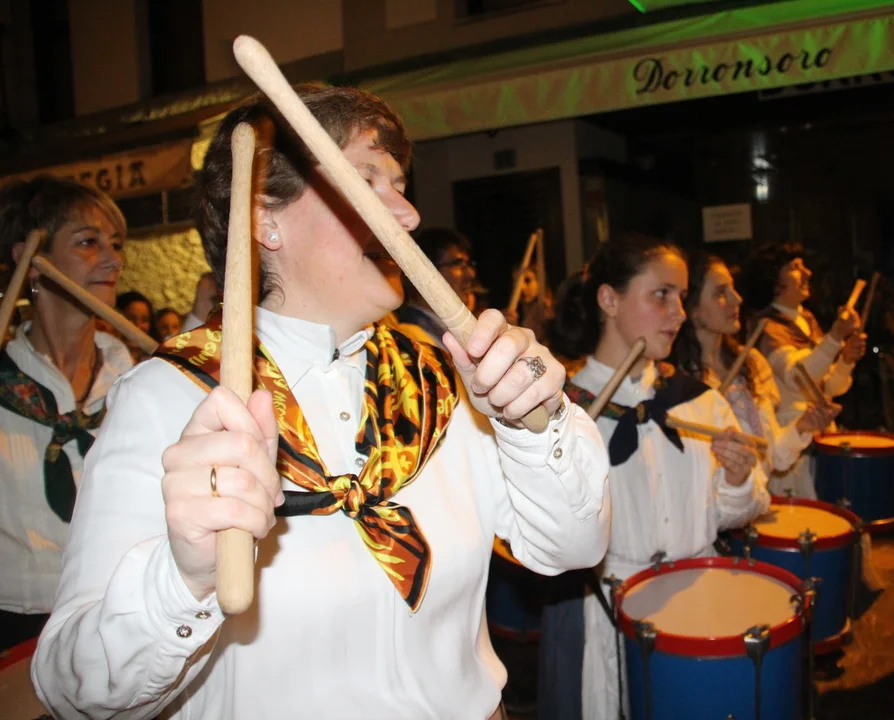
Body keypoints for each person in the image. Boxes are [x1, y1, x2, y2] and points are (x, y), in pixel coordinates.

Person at [32, 83, 611, 720]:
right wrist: (181, 577)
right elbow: (71, 694)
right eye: (367, 181)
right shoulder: (167, 398)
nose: (408, 215)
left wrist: (533, 423)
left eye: (400, 186)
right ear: (265, 220)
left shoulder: (444, 381)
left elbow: (575, 547)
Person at [539, 234, 770, 720]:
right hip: (608, 613)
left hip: (696, 604)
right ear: (609, 299)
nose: (679, 313)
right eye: (661, 294)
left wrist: (737, 480)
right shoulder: (559, 414)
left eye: (681, 297)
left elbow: (737, 513)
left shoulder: (699, 402)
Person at [0, 176, 131, 652]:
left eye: (115, 244)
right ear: (32, 263)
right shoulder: (4, 381)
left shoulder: (132, 378)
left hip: (115, 616)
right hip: (15, 627)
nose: (114, 260)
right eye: (88, 242)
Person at [671, 252, 838, 477]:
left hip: (757, 496)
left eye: (733, 288)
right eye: (721, 293)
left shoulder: (752, 363)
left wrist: (803, 426)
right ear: (692, 309)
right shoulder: (677, 380)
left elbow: (772, 454)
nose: (737, 299)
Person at [739, 243, 865, 496]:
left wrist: (845, 362)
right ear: (774, 280)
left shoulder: (806, 319)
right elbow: (799, 376)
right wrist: (835, 337)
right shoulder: (767, 327)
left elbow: (829, 388)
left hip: (820, 439)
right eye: (795, 268)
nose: (807, 273)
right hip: (792, 446)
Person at [395, 226, 477, 349]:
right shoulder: (411, 337)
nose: (470, 274)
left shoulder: (443, 329)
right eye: (457, 264)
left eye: (467, 264)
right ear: (426, 272)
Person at [506, 265, 552, 344]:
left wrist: (513, 330)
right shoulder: (517, 311)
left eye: (527, 280)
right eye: (517, 282)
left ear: (540, 281)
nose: (522, 287)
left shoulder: (546, 311)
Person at [116, 290, 154, 363]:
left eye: (144, 320)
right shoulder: (104, 360)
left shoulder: (155, 363)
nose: (138, 326)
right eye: (131, 318)